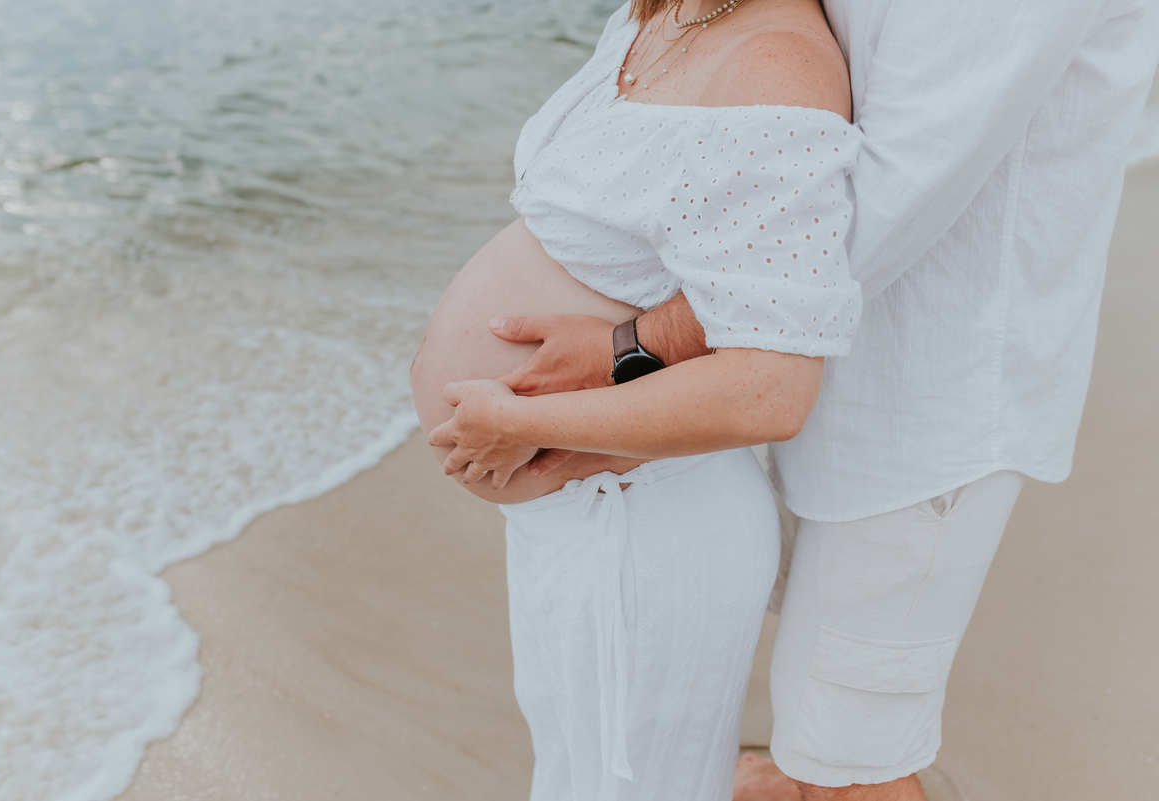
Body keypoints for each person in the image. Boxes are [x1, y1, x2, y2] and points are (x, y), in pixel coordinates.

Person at [437, 1, 1159, 800]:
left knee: (853, 757)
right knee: (802, 708)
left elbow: (898, 185)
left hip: (921, 394)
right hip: (781, 367)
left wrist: (636, 347)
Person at [412, 0, 861, 797]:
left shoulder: (775, 64)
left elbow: (771, 387)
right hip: (580, 517)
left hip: (648, 526)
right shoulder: (660, 14)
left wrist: (522, 420)